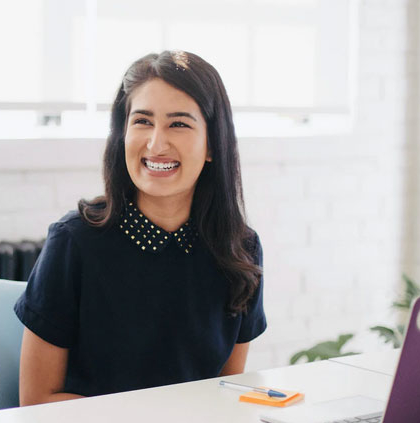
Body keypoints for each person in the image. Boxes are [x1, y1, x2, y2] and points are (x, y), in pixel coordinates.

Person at [15, 51, 266, 405]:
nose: (156, 143)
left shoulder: (240, 248)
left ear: (212, 144)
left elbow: (225, 393)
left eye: (178, 124)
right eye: (143, 121)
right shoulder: (75, 241)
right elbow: (37, 401)